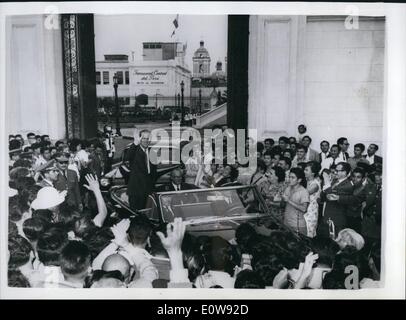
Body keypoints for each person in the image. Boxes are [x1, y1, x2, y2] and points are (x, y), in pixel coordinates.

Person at [319, 162, 357, 238]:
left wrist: (326, 181)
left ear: (347, 173)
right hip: (327, 217)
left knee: (336, 242)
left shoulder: (348, 185)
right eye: (336, 170)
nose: (336, 172)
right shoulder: (334, 181)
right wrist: (326, 187)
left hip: (337, 220)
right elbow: (323, 197)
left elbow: (330, 196)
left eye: (339, 171)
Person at [125, 129, 157, 211]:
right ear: (140, 139)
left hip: (148, 191)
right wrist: (135, 143)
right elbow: (128, 156)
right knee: (136, 215)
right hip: (136, 191)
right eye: (143, 138)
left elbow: (153, 172)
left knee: (147, 215)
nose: (146, 141)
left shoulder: (152, 152)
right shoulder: (135, 151)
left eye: (148, 138)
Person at [282, 167, 310, 236]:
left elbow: (304, 209)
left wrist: (288, 200)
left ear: (299, 180)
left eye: (293, 178)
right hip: (286, 223)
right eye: (289, 177)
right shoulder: (288, 188)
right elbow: (283, 205)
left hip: (297, 225)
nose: (289, 179)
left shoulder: (303, 192)